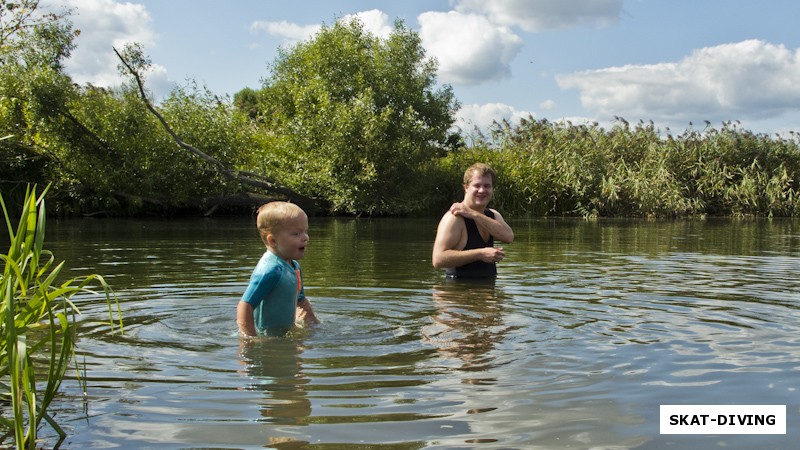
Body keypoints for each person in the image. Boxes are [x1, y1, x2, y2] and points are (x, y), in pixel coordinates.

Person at [237, 201, 319, 337]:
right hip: (265, 337)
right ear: (273, 240)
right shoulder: (270, 270)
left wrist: (315, 326)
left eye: (305, 232)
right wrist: (249, 340)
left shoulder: (294, 266)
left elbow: (301, 301)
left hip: (284, 335)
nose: (305, 238)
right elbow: (245, 305)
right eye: (296, 234)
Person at [432, 163, 514, 278]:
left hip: (487, 290)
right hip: (457, 290)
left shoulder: (492, 215)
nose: (482, 190)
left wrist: (474, 214)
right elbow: (438, 259)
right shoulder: (454, 218)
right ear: (466, 187)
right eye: (477, 185)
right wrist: (479, 254)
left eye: (487, 186)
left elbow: (508, 237)